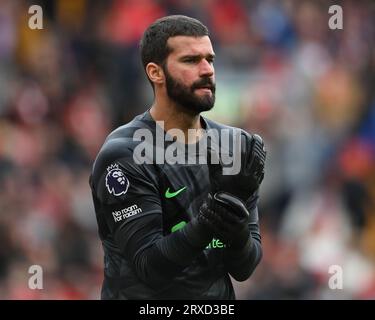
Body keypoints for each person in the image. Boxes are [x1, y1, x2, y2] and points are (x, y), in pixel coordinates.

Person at [89, 15, 266, 300]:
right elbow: (150, 267)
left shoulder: (235, 145)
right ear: (155, 73)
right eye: (191, 60)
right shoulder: (125, 154)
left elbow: (244, 266)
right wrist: (215, 216)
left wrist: (235, 222)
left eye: (210, 59)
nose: (207, 70)